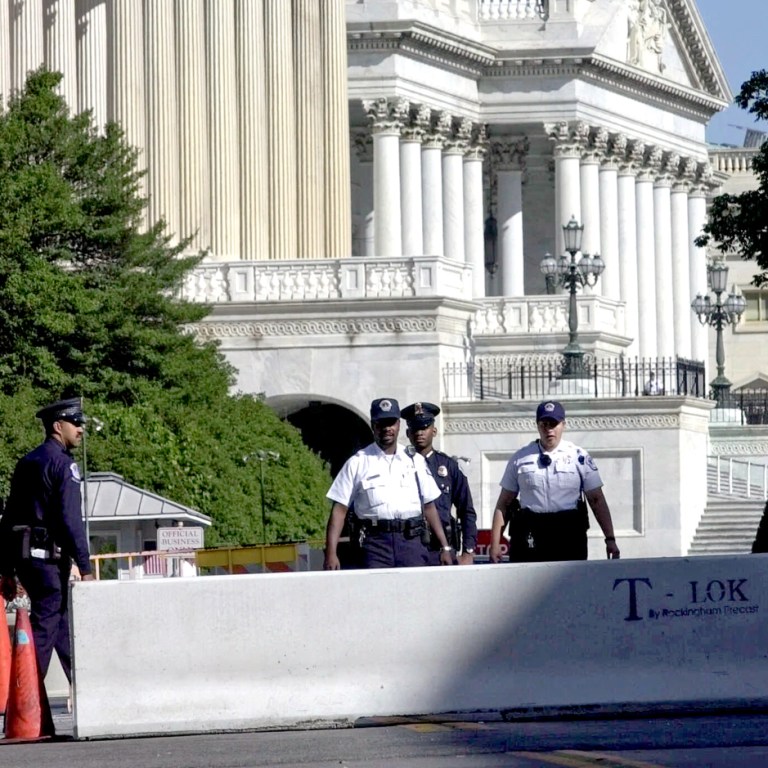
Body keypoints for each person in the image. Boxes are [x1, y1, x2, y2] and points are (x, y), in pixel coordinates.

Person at [0, 398, 95, 683]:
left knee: (62, 625)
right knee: (47, 621)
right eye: (75, 423)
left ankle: (86, 686)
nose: (80, 429)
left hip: (25, 558)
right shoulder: (63, 465)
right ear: (57, 426)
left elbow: (9, 517)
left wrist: (5, 569)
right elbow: (70, 520)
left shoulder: (28, 461)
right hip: (48, 560)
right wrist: (85, 565)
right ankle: (25, 692)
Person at [323, 398, 455, 569]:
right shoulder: (358, 463)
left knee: (415, 594)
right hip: (375, 545)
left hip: (411, 543)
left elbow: (429, 506)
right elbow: (339, 511)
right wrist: (331, 553)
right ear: (373, 425)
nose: (387, 429)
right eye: (381, 423)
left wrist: (444, 547)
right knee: (377, 594)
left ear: (399, 424)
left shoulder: (414, 460)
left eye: (391, 423)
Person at [489, 400, 620, 563]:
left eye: (554, 424)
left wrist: (610, 539)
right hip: (531, 531)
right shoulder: (520, 458)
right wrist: (495, 544)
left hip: (567, 532)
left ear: (563, 425)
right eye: (544, 424)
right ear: (537, 426)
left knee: (570, 584)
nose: (549, 429)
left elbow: (596, 500)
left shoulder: (578, 457)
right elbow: (504, 503)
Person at [401, 401, 478, 565]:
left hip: (443, 550)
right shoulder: (399, 465)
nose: (419, 433)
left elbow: (466, 510)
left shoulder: (449, 466)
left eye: (424, 427)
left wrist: (468, 551)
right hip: (409, 546)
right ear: (408, 433)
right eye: (415, 428)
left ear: (434, 431)